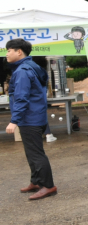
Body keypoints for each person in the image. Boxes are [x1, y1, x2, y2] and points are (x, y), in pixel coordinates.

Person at [5, 38, 58, 200]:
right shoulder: (34, 66)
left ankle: (48, 186)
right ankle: (36, 181)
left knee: (35, 153)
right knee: (31, 152)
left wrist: (14, 120)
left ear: (19, 51)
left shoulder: (22, 71)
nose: (6, 54)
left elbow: (21, 98)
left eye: (9, 50)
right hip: (38, 116)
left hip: (30, 119)